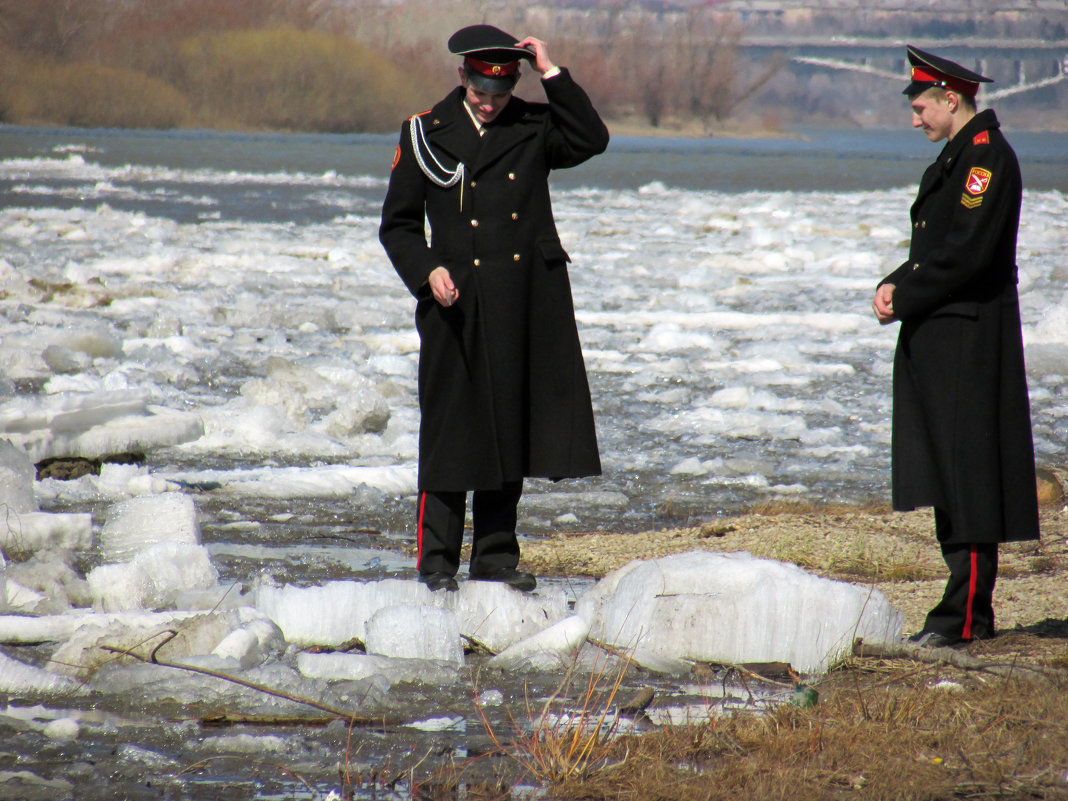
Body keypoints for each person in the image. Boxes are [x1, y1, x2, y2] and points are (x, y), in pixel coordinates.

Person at [379, 24, 608, 593]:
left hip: (523, 300)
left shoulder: (532, 127)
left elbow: (591, 138)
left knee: (510, 427)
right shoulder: (425, 132)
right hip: (454, 305)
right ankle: (436, 563)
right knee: (452, 434)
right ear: (463, 77)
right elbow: (399, 226)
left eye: (500, 93)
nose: (489, 102)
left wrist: (551, 72)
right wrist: (428, 270)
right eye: (481, 92)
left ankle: (496, 558)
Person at [872, 46, 1040, 647]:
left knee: (968, 476)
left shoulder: (984, 161)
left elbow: (967, 253)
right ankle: (958, 612)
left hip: (967, 337)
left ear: (951, 99)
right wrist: (897, 280)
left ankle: (965, 618)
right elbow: (935, 249)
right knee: (949, 472)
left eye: (921, 107)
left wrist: (907, 291)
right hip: (943, 333)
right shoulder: (959, 154)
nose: (914, 119)